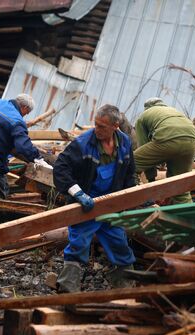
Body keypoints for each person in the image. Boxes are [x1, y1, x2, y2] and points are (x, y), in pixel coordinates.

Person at [53, 104, 136, 291]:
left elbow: (130, 174)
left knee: (119, 244)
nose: (96, 129)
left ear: (116, 126)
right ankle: (68, 289)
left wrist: (131, 198)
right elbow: (60, 168)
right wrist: (77, 193)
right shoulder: (83, 144)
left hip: (111, 206)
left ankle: (126, 287)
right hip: (86, 205)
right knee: (78, 244)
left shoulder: (124, 143)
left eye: (102, 126)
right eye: (96, 124)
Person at [134, 97, 195, 204]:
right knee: (180, 186)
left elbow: (143, 145)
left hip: (168, 138)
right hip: (192, 141)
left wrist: (151, 180)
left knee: (131, 164)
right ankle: (190, 217)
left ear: (146, 108)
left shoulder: (143, 117)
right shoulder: (174, 111)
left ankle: (136, 200)